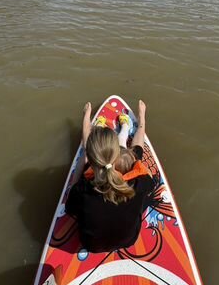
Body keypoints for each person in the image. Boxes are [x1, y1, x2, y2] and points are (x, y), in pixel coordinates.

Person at [65, 100, 155, 253]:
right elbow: (150, 179)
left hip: (91, 245)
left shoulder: (82, 189)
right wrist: (142, 117)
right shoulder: (139, 183)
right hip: (129, 240)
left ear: (91, 161)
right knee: (146, 195)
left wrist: (86, 117)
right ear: (117, 156)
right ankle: (135, 123)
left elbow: (70, 209)